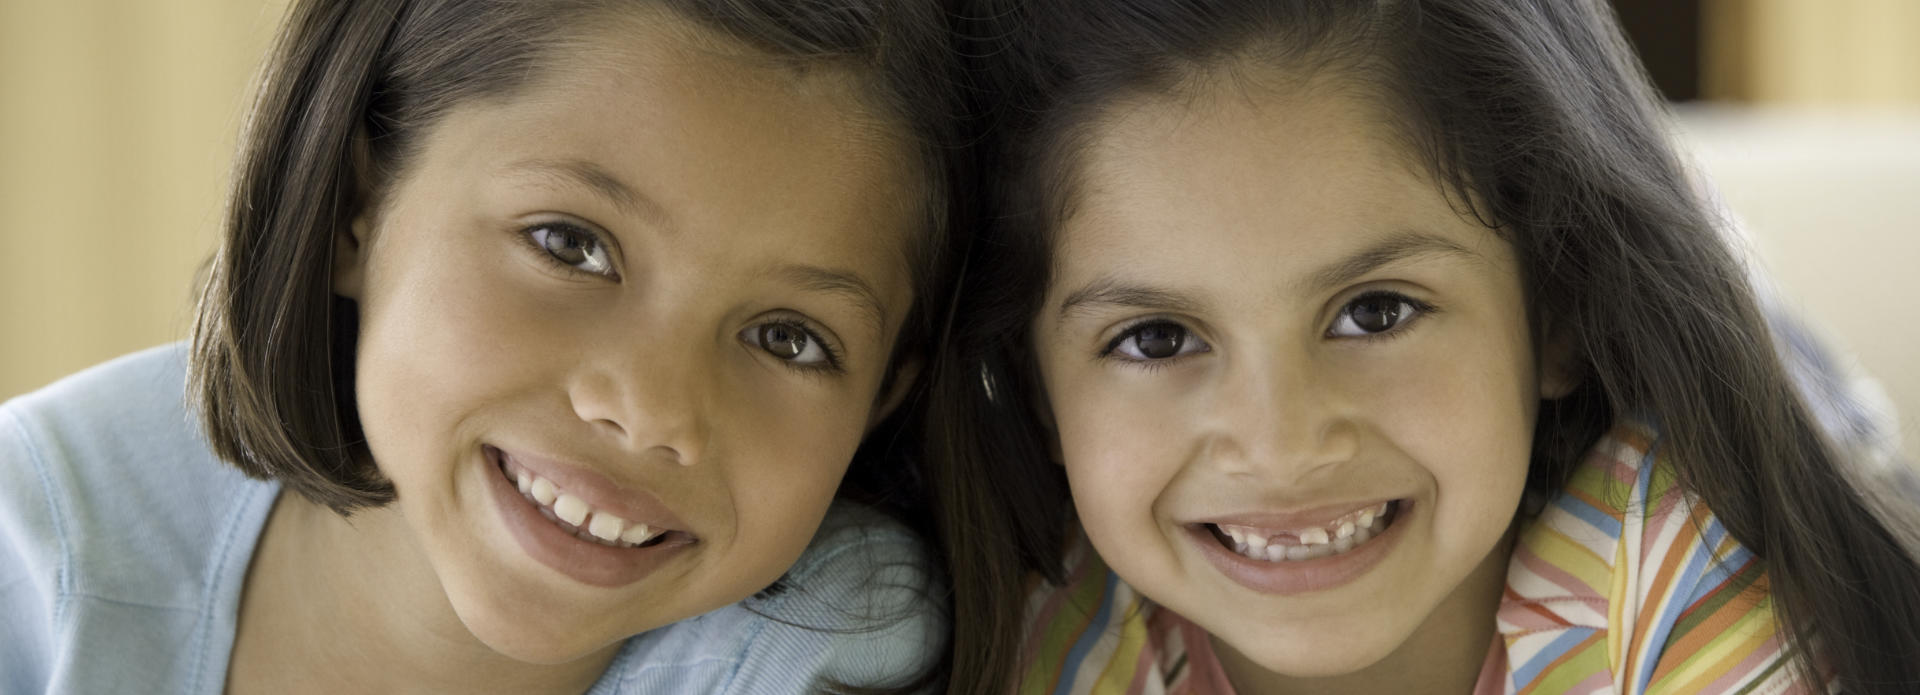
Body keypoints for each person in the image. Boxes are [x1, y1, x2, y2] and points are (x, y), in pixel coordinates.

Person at [926, 1, 1920, 693]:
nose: (1281, 441)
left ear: (1557, 312)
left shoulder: (1682, 578)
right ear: (1030, 380)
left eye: (1376, 311)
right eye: (1157, 336)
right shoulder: (1033, 633)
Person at [0, 0, 966, 691]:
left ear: (882, 395)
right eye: (571, 245)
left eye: (788, 338)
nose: (652, 408)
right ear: (355, 205)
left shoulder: (823, 646)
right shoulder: (32, 548)